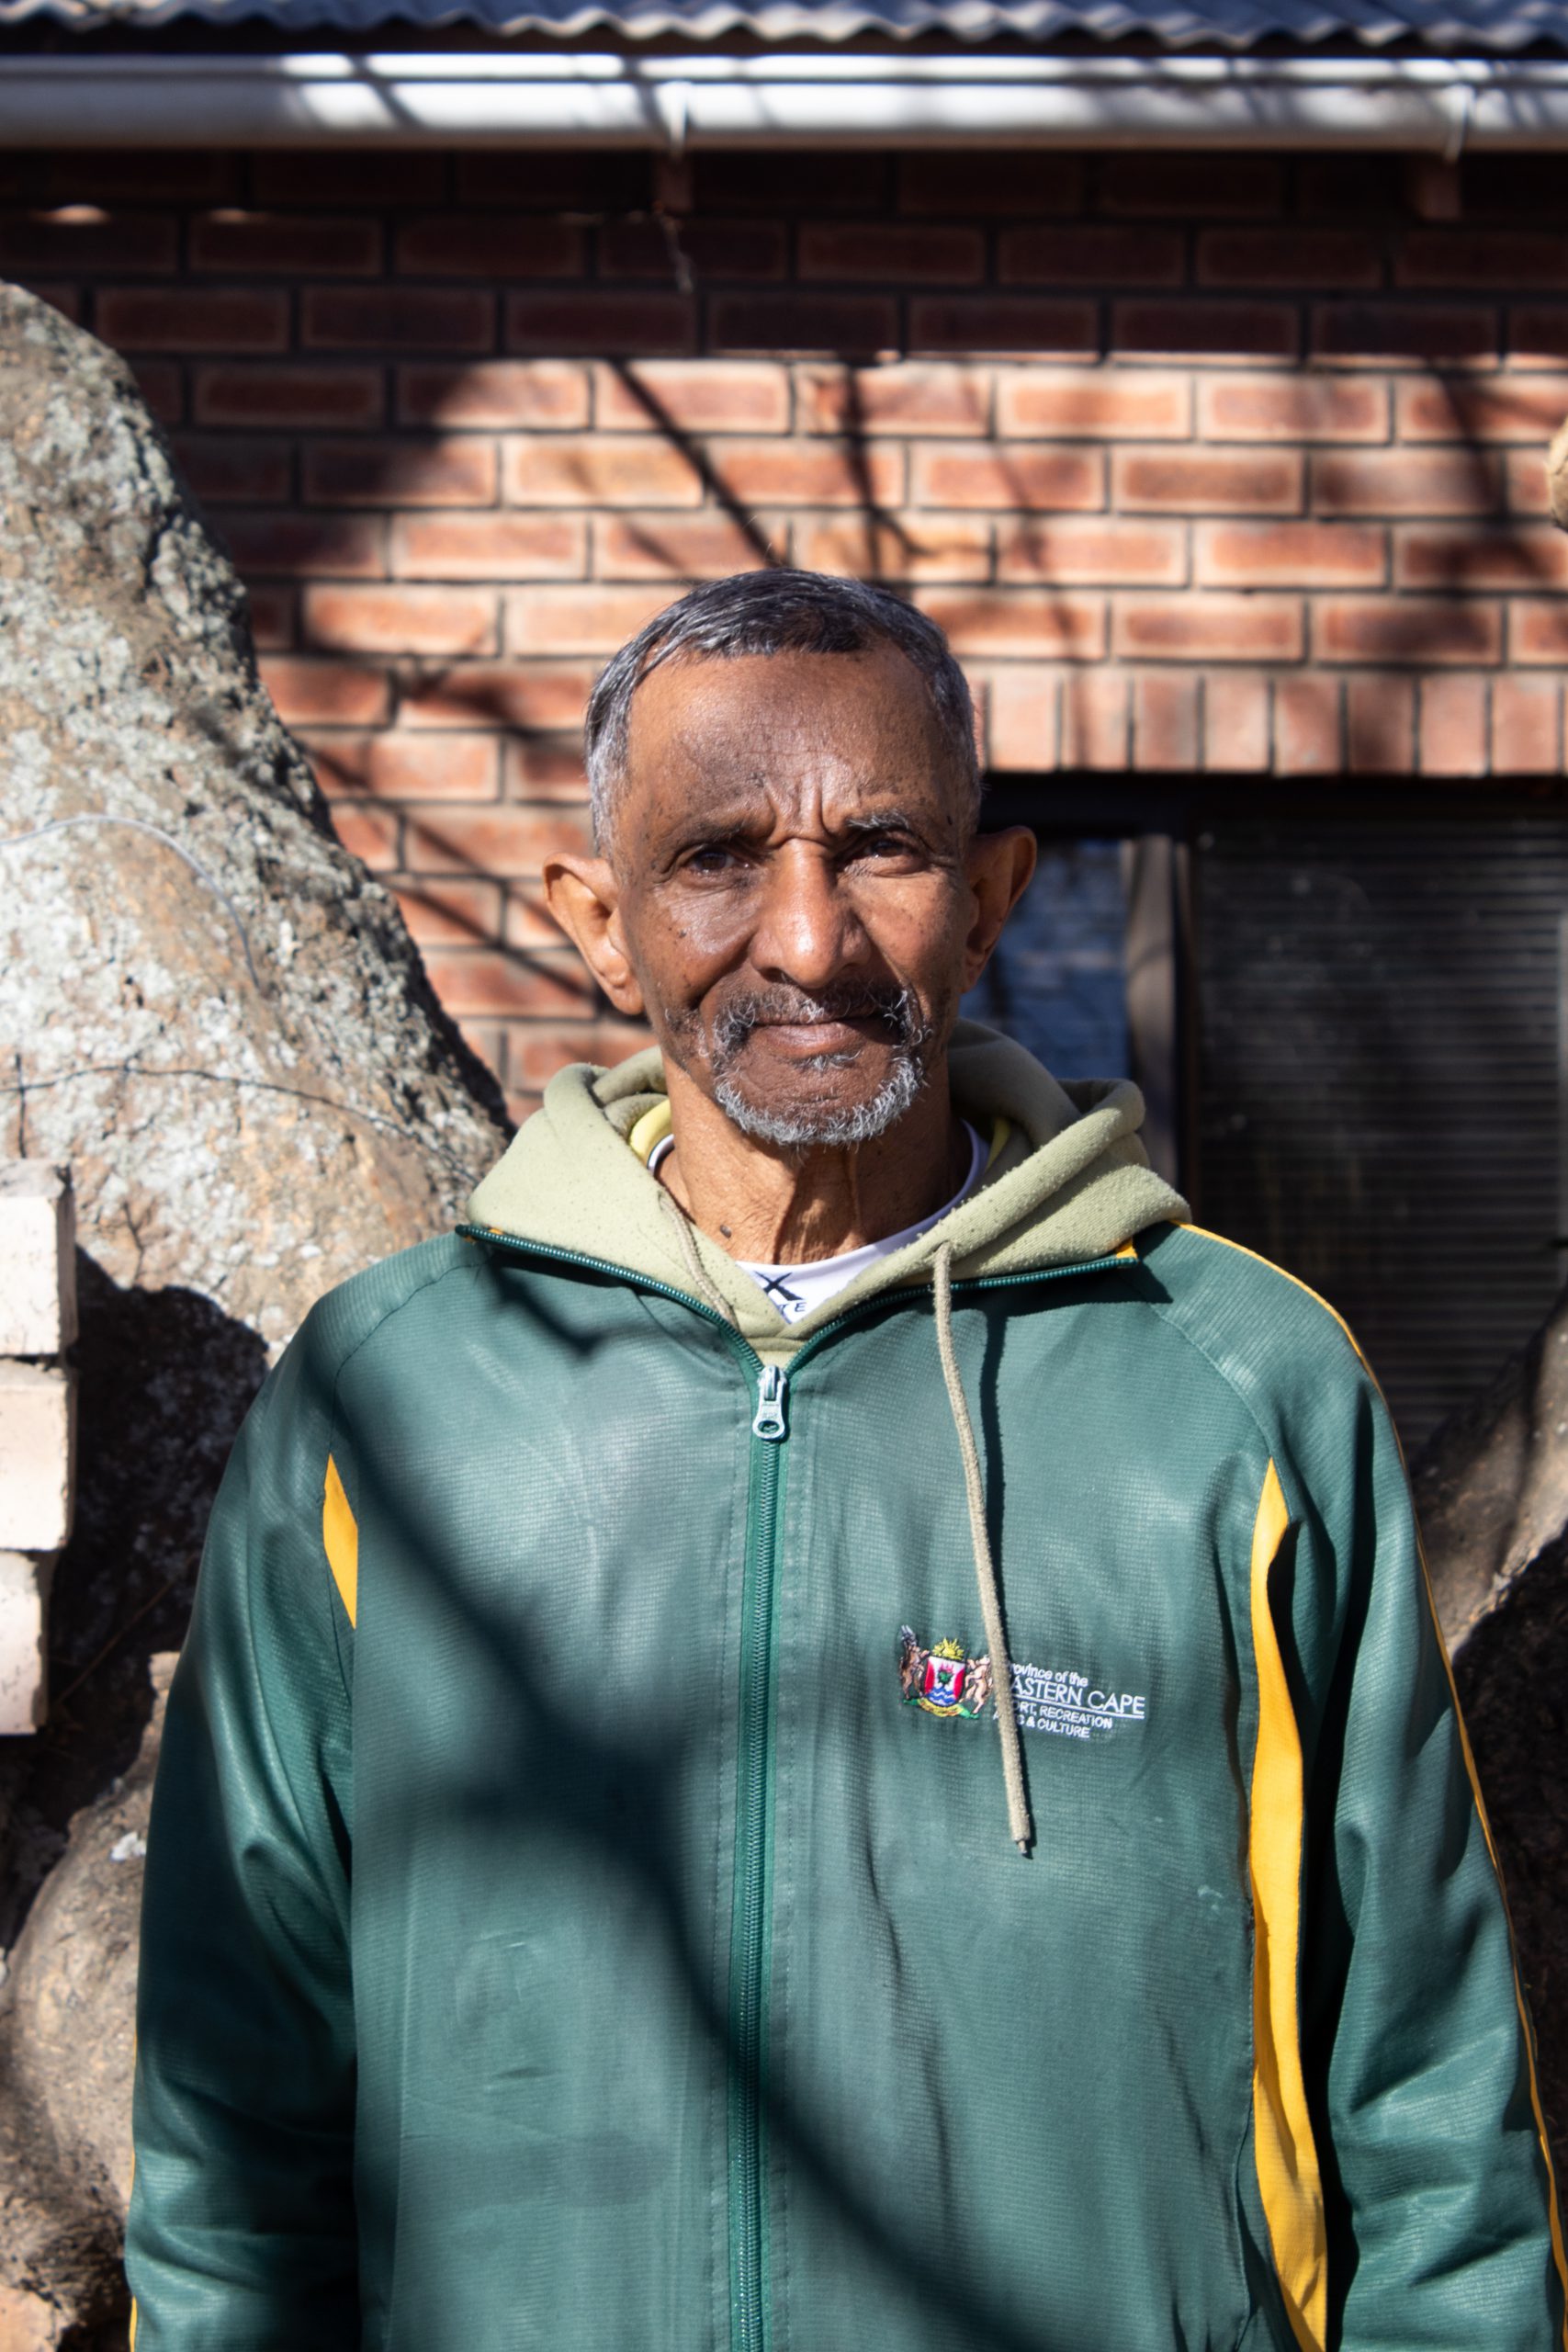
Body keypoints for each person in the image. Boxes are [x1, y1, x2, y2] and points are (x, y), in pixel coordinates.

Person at [127, 570, 1564, 2352]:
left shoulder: (1238, 1384)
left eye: (876, 848)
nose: (805, 939)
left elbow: (1423, 2099)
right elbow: (229, 2107)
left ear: (986, 901)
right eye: (716, 856)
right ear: (596, 917)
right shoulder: (390, 1401)